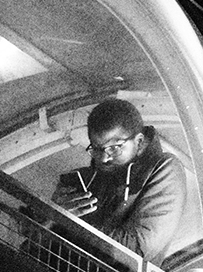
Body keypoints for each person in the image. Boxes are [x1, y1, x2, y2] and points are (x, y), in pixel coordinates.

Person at [53, 98, 184, 260]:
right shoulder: (83, 177)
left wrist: (71, 223)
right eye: (96, 148)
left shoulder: (164, 168)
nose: (103, 159)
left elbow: (137, 249)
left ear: (139, 141)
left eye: (114, 148)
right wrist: (50, 215)